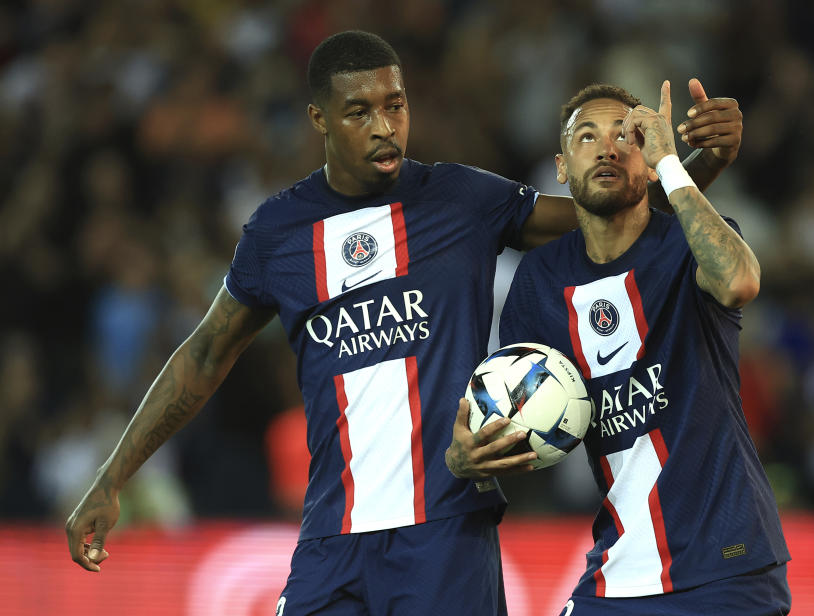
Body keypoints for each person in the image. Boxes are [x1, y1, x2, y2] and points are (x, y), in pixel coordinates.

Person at [65, 31, 743, 615]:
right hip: (332, 535)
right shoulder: (277, 233)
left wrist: (697, 163)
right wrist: (112, 476)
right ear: (319, 119)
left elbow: (609, 222)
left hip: (446, 535)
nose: (385, 125)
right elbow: (206, 353)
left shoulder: (464, 198)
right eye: (359, 111)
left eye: (395, 105)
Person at [449, 81, 791, 615]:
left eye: (626, 136)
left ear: (649, 160)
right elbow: (514, 414)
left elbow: (739, 282)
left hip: (726, 562)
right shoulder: (539, 281)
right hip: (618, 569)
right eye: (586, 136)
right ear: (561, 166)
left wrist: (674, 166)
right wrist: (470, 456)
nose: (607, 147)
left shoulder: (689, 241)